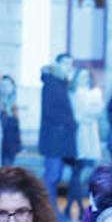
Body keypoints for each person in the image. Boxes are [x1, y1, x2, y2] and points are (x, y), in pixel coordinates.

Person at [39, 54, 78, 209]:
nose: (68, 67)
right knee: (52, 175)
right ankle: (50, 210)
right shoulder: (51, 83)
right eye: (65, 63)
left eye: (71, 64)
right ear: (57, 65)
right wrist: (70, 122)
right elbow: (49, 111)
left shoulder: (61, 83)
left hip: (61, 138)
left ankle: (52, 209)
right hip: (54, 138)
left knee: (56, 175)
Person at [69, 67, 105, 215]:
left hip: (91, 134)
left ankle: (81, 206)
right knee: (77, 172)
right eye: (81, 76)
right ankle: (76, 206)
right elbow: (77, 115)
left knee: (89, 171)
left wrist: (92, 114)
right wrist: (89, 115)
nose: (84, 79)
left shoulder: (93, 93)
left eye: (86, 76)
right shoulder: (73, 93)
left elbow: (97, 112)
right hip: (80, 134)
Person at [0, 75, 22, 168]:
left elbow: (16, 126)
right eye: (4, 85)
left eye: (9, 85)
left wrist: (18, 143)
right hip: (1, 144)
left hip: (11, 144)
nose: (7, 88)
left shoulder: (13, 103)